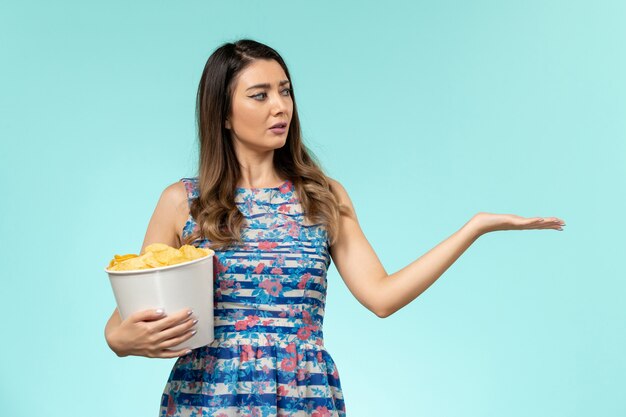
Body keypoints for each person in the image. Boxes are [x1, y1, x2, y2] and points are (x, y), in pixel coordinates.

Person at [104, 39, 566, 417]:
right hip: (205, 398)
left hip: (305, 395)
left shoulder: (322, 195)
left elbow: (381, 297)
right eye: (259, 94)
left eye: (285, 91)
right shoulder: (183, 201)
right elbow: (131, 310)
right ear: (223, 113)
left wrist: (474, 228)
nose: (279, 106)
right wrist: (119, 340)